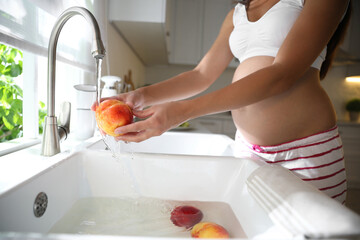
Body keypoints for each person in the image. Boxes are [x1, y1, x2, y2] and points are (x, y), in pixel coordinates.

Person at [93, 0, 351, 203]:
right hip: (250, 152)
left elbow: (281, 75)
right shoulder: (237, 13)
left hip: (305, 153)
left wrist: (183, 111)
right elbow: (201, 75)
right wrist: (141, 95)